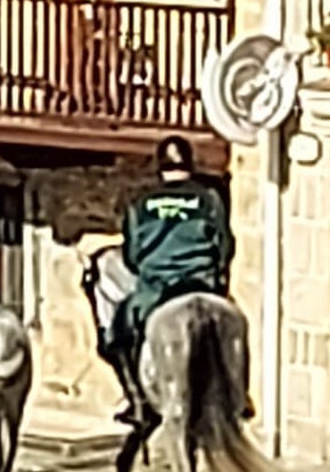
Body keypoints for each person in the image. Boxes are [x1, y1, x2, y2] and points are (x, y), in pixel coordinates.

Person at [101, 134, 247, 428]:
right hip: (201, 284)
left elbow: (131, 257)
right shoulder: (209, 199)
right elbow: (225, 246)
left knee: (117, 333)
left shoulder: (140, 205)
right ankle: (240, 394)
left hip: (157, 290)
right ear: (190, 164)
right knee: (236, 325)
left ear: (160, 167)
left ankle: (137, 400)